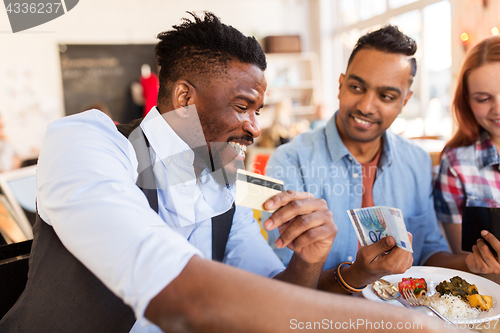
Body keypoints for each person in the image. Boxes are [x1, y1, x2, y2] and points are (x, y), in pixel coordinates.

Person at [0, 13, 451, 333]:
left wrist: (309, 258)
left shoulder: (223, 180)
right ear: (183, 97)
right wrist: (395, 324)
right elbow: (177, 292)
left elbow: (271, 294)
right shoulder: (88, 143)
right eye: (242, 106)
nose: (254, 126)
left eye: (258, 109)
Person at [266, 25, 481, 295]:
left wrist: (473, 263)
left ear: (405, 101)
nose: (366, 106)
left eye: (386, 96)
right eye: (357, 87)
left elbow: (428, 253)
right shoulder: (290, 162)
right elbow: (281, 282)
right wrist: (357, 275)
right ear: (341, 85)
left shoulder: (416, 162)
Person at [434, 35, 500, 275]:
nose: (498, 108)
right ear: (467, 102)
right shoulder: (456, 164)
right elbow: (464, 262)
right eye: (483, 99)